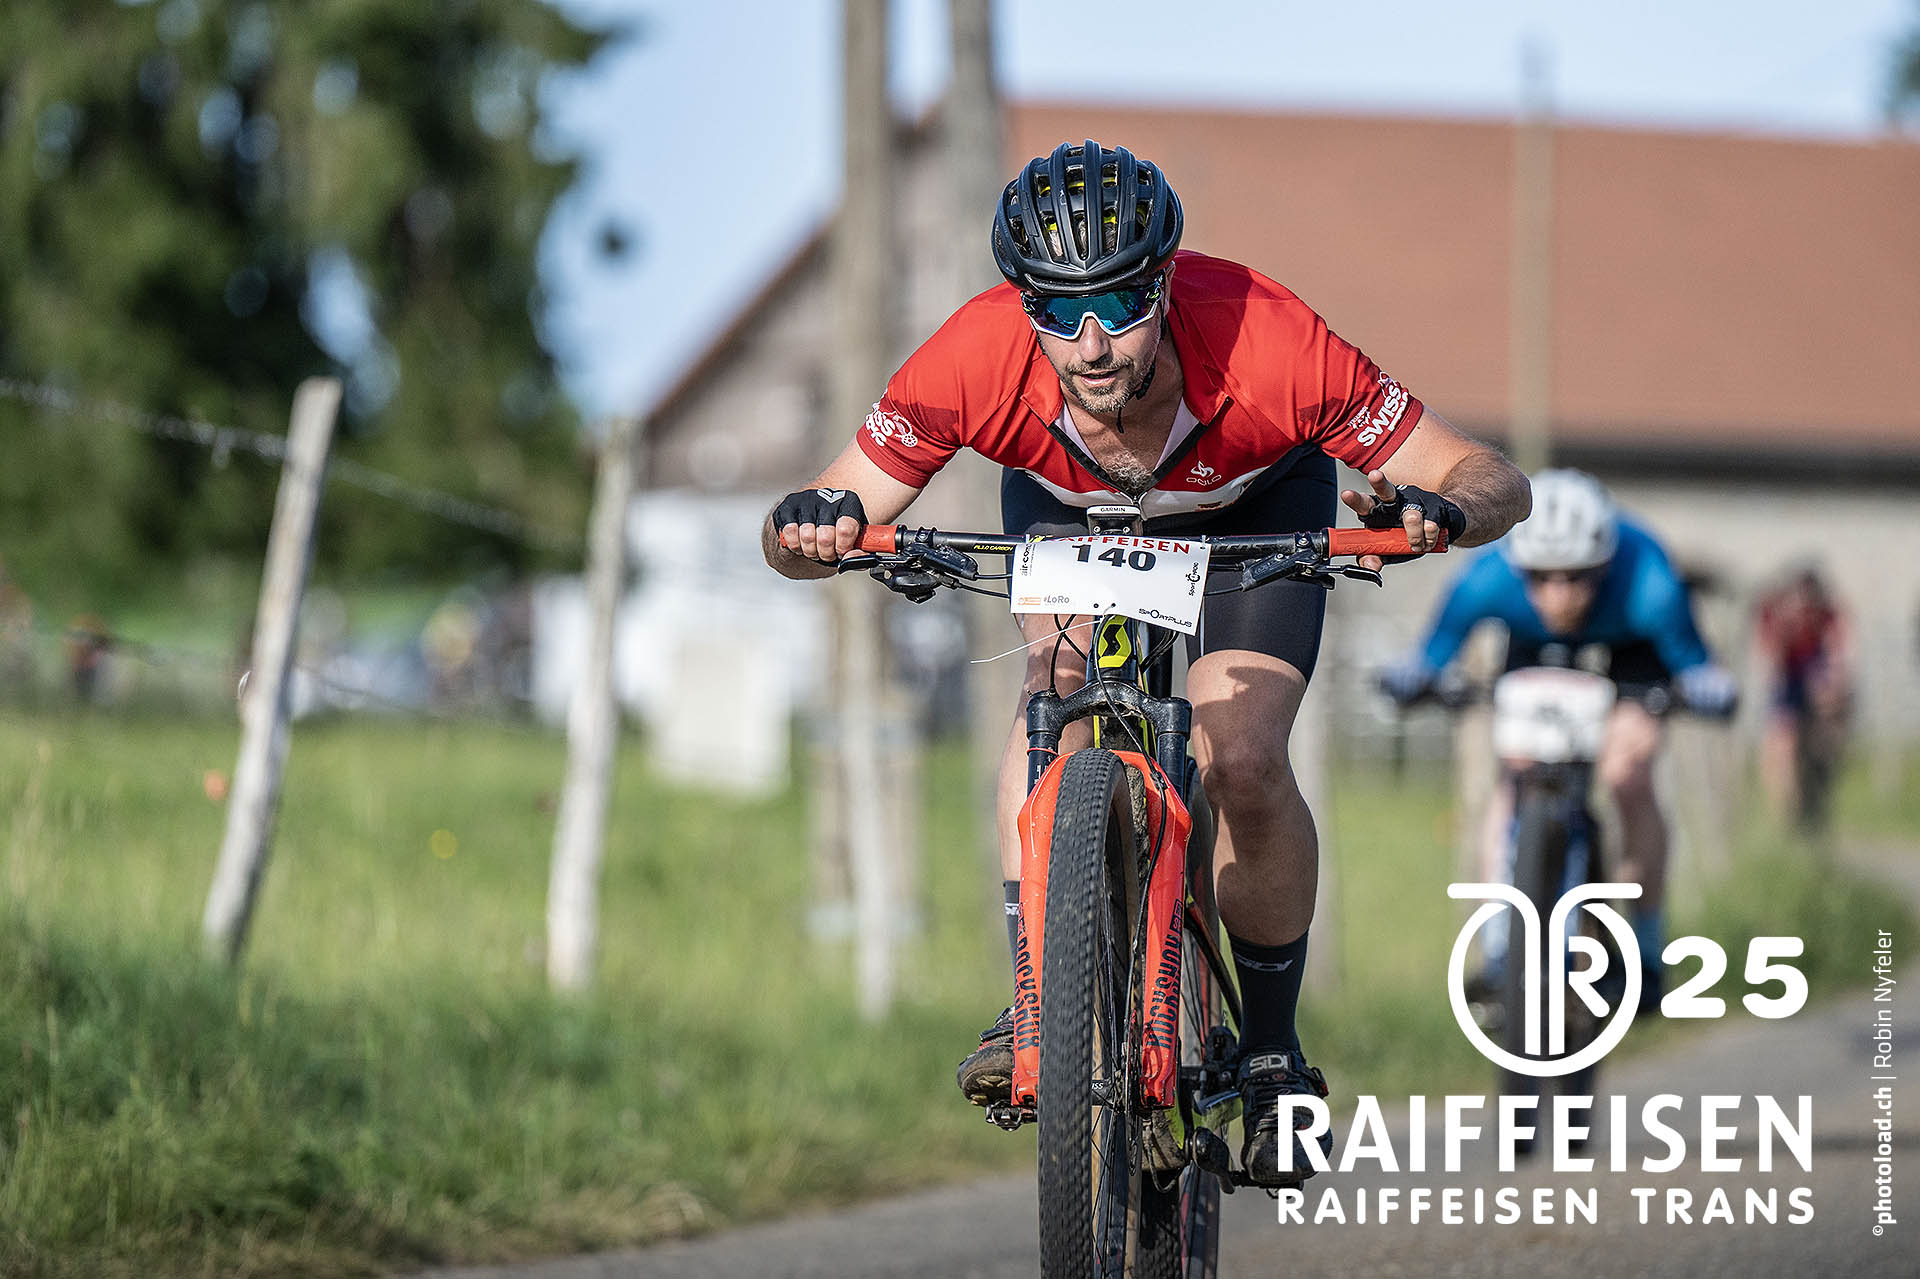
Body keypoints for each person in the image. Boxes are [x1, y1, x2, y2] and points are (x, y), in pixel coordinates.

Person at [762, 140, 1530, 1187]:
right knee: (1052, 702)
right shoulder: (972, 356)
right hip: (1072, 511)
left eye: (1121, 304)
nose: (1090, 343)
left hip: (1252, 512)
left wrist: (1444, 507)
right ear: (1023, 302)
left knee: (1241, 758)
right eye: (1057, 310)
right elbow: (819, 516)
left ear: (1165, 283)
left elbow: (1492, 477)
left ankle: (1270, 1054)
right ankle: (1039, 1000)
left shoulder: (1273, 341)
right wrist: (807, 530)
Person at [1379, 469, 1739, 1007]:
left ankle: (1646, 946)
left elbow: (1694, 665)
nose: (1559, 593)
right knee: (1515, 777)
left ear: (1604, 566)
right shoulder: (1488, 579)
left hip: (1629, 653)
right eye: (1541, 577)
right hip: (1534, 649)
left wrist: (1706, 686)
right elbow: (1432, 653)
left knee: (1628, 773)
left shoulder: (1649, 583)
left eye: (1577, 577)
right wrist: (1416, 676)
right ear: (1519, 569)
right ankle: (1500, 951)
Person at [1752, 564, 1852, 832]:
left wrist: (1831, 687)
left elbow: (1837, 656)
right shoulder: (1774, 614)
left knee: (1823, 729)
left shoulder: (1826, 615)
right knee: (1782, 744)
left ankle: (1814, 792)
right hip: (1786, 678)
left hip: (1811, 675)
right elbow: (1769, 664)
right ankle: (1786, 814)